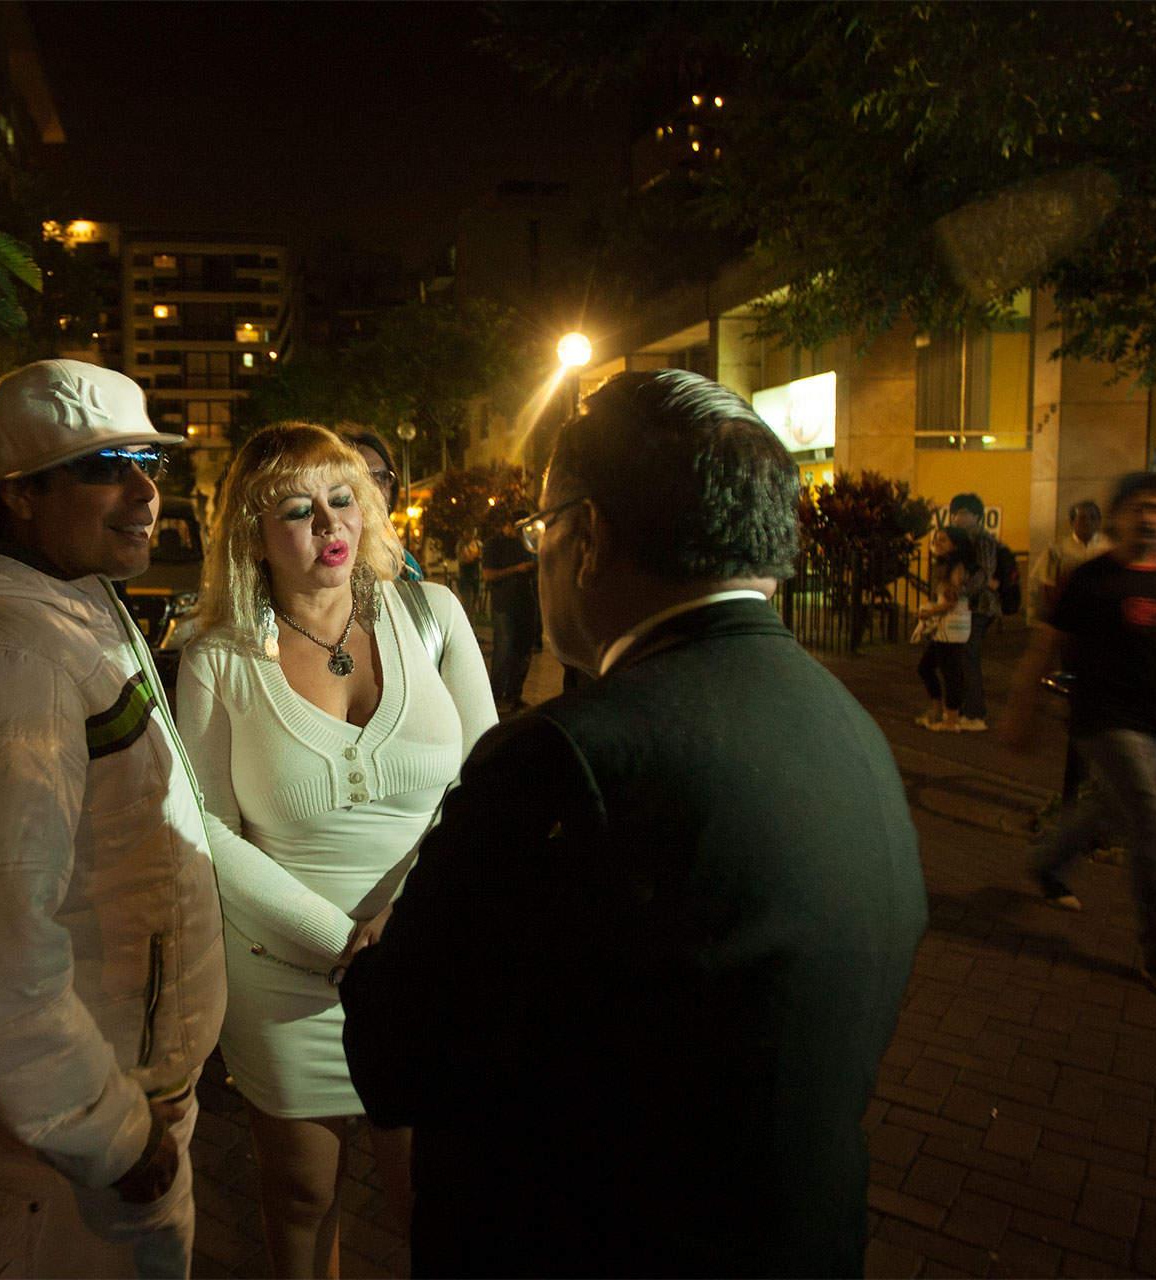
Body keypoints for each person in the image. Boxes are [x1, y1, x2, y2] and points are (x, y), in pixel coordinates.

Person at [341, 369, 928, 1278]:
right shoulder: (847, 726)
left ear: (588, 539)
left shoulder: (567, 758)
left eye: (542, 531)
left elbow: (400, 1060)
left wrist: (369, 964)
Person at [0, 359, 227, 1277]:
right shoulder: (1, 647)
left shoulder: (70, 595)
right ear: (21, 496)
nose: (146, 491)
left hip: (123, 1102)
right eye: (107, 464)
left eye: (150, 463)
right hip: (82, 1148)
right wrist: (103, 1130)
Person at [175, 423, 495, 1277]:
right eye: (295, 508)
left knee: (432, 1202)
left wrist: (409, 925)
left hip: (426, 964)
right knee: (301, 1199)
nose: (328, 522)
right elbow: (205, 826)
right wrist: (341, 944)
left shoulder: (436, 615)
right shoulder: (215, 657)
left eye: (341, 497)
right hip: (288, 975)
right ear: (250, 534)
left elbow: (488, 786)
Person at [999, 472, 1156, 1006]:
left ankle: (1047, 861)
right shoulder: (1091, 579)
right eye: (1141, 507)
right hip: (1106, 721)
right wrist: (1022, 710)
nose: (1153, 518)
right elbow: (1045, 646)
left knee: (1110, 806)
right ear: (1120, 513)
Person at [947, 492, 1002, 731]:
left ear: (977, 516)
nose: (957, 517)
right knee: (961, 656)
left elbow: (985, 573)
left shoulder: (982, 540)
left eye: (963, 513)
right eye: (955, 513)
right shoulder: (961, 540)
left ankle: (976, 712)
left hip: (980, 606)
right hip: (966, 606)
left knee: (968, 655)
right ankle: (965, 709)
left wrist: (962, 591)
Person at [338, 427, 422, 580]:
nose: (374, 487)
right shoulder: (329, 563)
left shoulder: (405, 566)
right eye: (361, 477)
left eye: (381, 476)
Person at [914, 526, 976, 731]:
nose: (936, 544)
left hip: (952, 627)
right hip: (947, 627)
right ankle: (938, 712)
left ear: (955, 545)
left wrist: (928, 613)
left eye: (943, 540)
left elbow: (951, 602)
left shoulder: (956, 568)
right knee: (926, 667)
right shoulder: (950, 566)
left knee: (950, 674)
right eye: (936, 540)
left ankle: (951, 720)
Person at [480, 511, 540, 712]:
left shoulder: (526, 543)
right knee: (504, 651)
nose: (522, 533)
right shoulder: (492, 544)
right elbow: (488, 575)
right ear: (508, 525)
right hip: (504, 606)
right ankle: (495, 697)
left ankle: (515, 694)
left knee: (524, 651)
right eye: (519, 529)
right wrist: (518, 569)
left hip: (526, 603)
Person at [1028, 498, 1109, 620]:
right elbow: (1044, 584)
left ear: (1099, 521)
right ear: (1072, 522)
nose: (1088, 522)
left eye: (1093, 518)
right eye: (1082, 518)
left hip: (1102, 611)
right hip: (1069, 611)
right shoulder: (1057, 549)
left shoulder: (1108, 547)